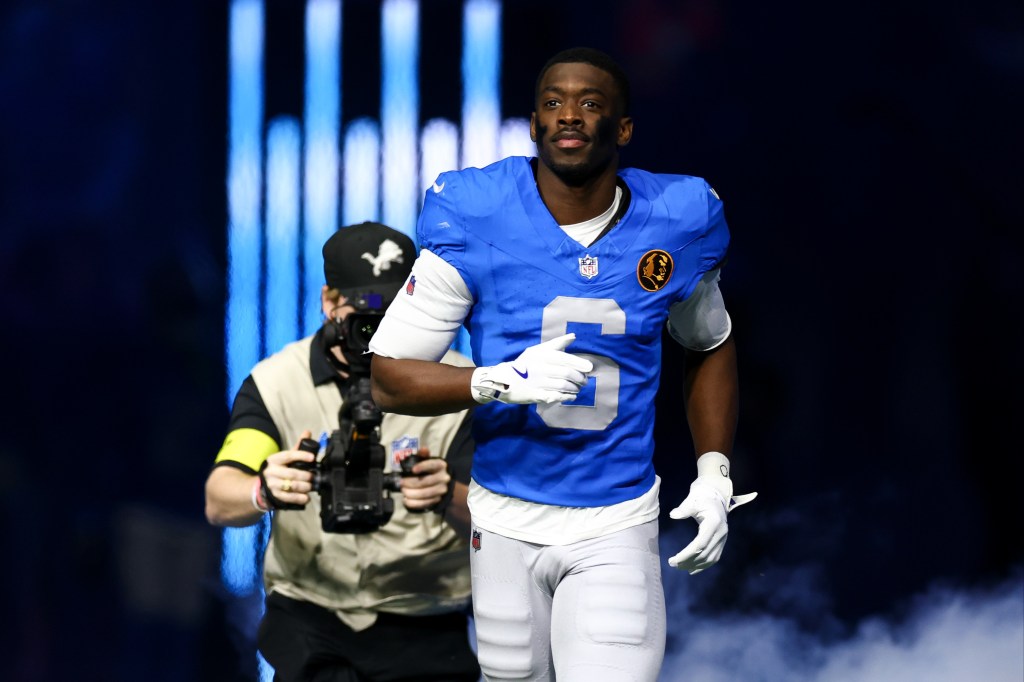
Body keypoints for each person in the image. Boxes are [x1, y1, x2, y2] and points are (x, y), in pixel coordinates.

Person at [368, 47, 756, 681]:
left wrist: (714, 475)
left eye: (589, 103)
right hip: (502, 518)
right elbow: (389, 377)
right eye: (553, 102)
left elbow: (709, 343)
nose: (569, 115)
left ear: (623, 129)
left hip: (615, 518)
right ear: (533, 124)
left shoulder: (677, 219)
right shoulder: (477, 212)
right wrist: (498, 380)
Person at [205, 221, 481, 682]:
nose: (379, 329)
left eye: (395, 310)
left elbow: (505, 521)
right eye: (366, 312)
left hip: (427, 623)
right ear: (329, 301)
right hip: (312, 624)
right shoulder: (277, 383)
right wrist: (264, 489)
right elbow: (219, 498)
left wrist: (447, 495)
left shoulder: (456, 385)